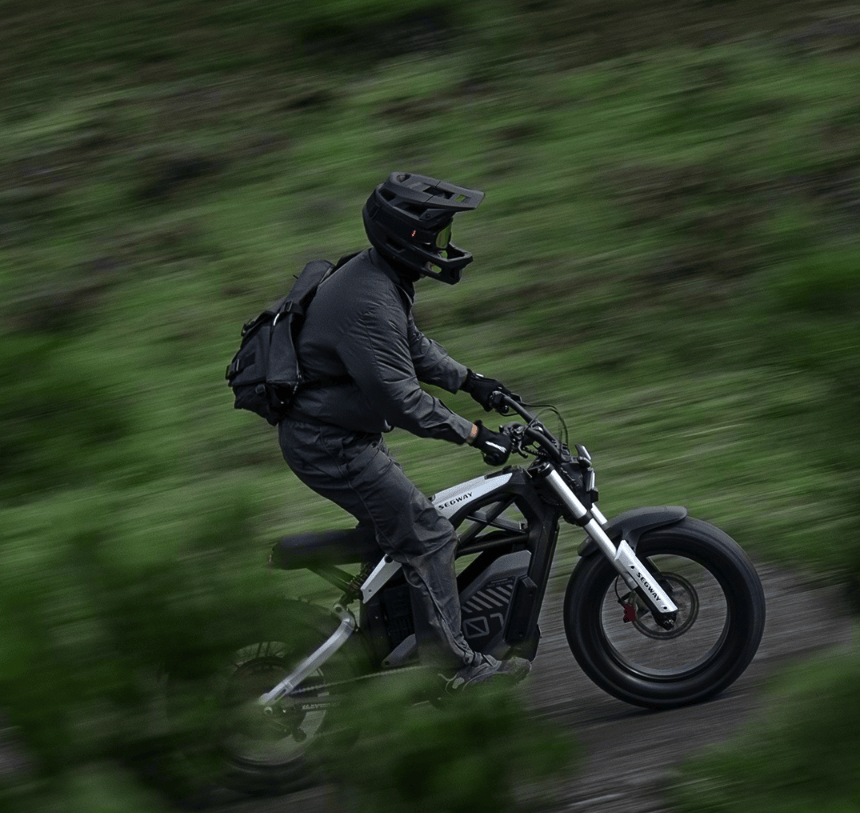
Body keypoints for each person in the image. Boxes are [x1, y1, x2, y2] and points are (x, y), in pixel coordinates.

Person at [278, 171, 530, 690]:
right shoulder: (369, 301)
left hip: (339, 434)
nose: (446, 246)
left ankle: (384, 641)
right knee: (430, 534)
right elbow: (404, 401)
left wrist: (472, 381)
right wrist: (476, 434)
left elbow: (412, 346)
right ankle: (454, 668)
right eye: (437, 236)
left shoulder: (378, 275)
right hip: (329, 444)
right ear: (404, 237)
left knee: (398, 530)